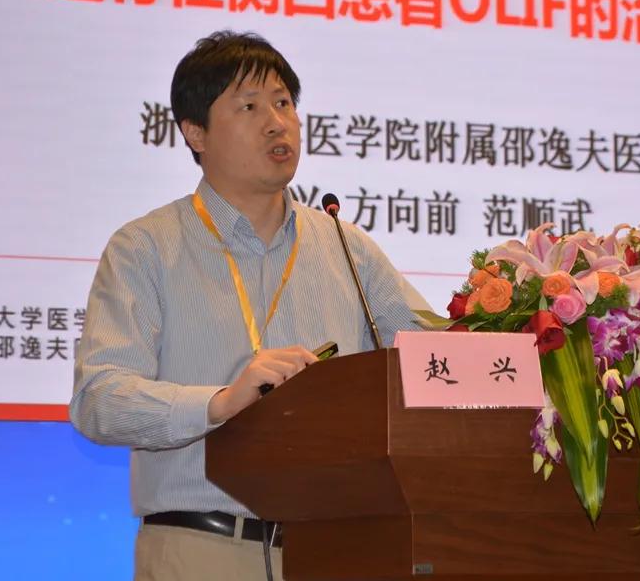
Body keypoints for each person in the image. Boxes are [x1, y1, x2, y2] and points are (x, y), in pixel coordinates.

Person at [70, 30, 428, 581]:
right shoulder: (145, 247)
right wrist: (219, 403)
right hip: (201, 548)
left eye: (284, 103)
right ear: (195, 132)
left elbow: (434, 360)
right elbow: (100, 400)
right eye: (250, 106)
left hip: (337, 551)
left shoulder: (345, 246)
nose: (277, 122)